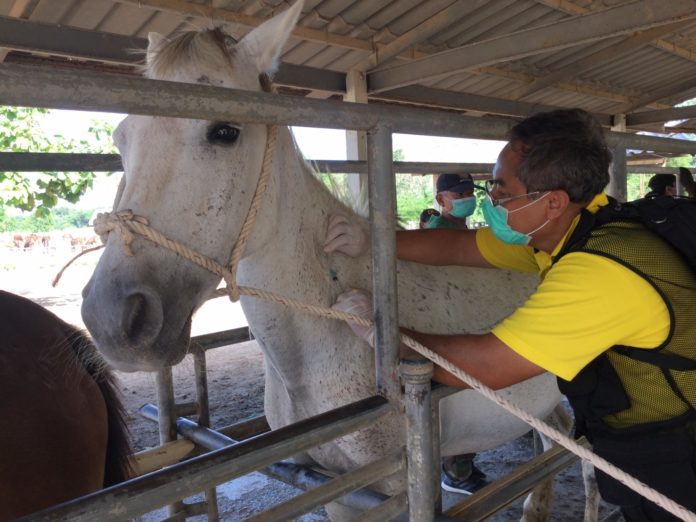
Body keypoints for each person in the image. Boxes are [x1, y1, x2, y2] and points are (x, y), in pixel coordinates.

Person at [324, 108, 696, 522]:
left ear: (551, 201)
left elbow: (486, 365)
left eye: (501, 191)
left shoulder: (598, 272)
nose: (492, 201)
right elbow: (459, 248)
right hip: (657, 440)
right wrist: (371, 241)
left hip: (681, 457)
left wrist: (384, 335)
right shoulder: (578, 225)